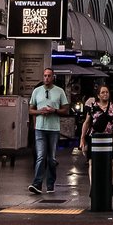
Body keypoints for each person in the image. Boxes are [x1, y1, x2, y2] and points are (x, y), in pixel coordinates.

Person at [28, 68, 68, 196]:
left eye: (49, 76)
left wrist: (54, 110)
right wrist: (40, 111)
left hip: (53, 129)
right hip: (40, 128)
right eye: (45, 75)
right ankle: (37, 183)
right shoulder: (37, 91)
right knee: (41, 156)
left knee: (51, 158)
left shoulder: (59, 91)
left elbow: (65, 109)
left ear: (53, 77)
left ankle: (50, 184)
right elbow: (30, 109)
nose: (47, 78)